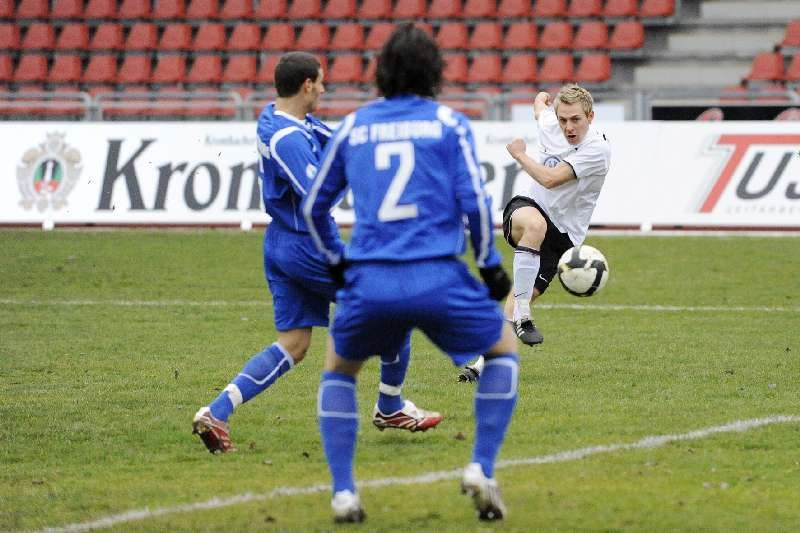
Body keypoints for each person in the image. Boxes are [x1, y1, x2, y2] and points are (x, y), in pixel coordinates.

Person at [303, 25, 519, 523]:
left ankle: (343, 493)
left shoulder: (354, 125)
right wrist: (489, 268)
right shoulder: (448, 123)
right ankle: (481, 467)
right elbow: (477, 208)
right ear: (434, 72)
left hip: (371, 279)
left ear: (381, 72)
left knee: (339, 370)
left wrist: (337, 264)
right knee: (503, 351)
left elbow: (315, 206)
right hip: (438, 276)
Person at [192, 51, 442, 454]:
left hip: (281, 243)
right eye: (321, 82)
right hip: (309, 246)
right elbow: (317, 197)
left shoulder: (282, 118)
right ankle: (390, 406)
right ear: (307, 84)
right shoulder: (287, 138)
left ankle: (216, 412)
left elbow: (342, 143)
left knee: (293, 343)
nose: (324, 89)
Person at [458, 84, 611, 382]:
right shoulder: (550, 121)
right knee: (535, 226)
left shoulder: (597, 150)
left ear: (590, 117)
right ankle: (525, 317)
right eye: (563, 119)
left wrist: (519, 154)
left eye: (576, 120)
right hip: (529, 210)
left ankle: (481, 364)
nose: (568, 127)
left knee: (516, 299)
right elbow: (540, 109)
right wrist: (541, 99)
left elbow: (551, 178)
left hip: (564, 238)